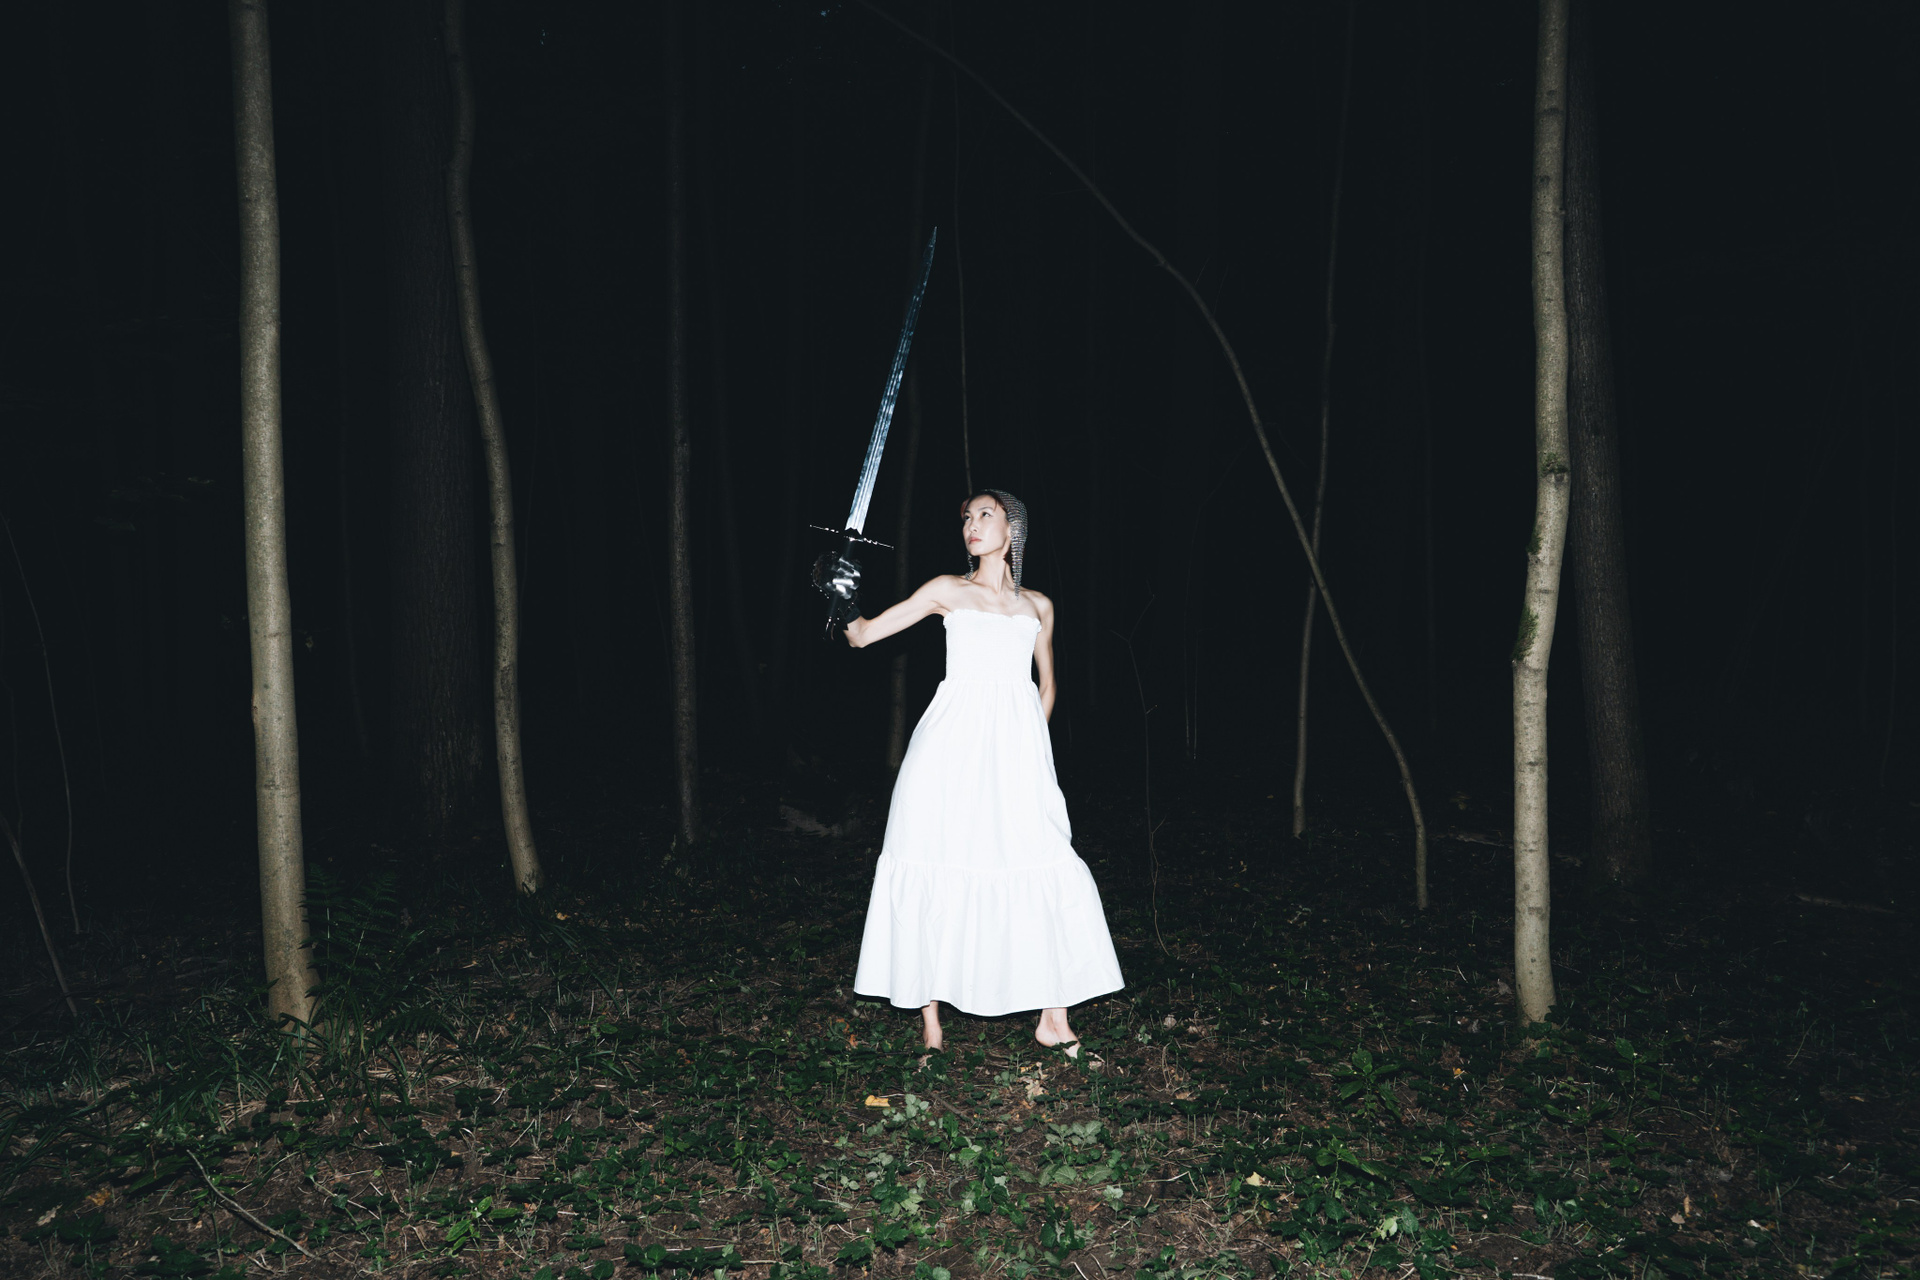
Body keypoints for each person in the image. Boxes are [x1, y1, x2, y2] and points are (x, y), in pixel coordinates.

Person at [814, 489, 1124, 1059]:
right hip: (947, 750)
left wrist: (1030, 745)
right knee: (934, 856)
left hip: (1016, 756)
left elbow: (1047, 684)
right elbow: (863, 635)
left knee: (1046, 860)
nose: (972, 525)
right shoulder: (947, 590)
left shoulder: (1038, 606)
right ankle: (931, 1025)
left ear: (1013, 530)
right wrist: (843, 600)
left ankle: (1053, 1018)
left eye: (986, 515)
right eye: (966, 517)